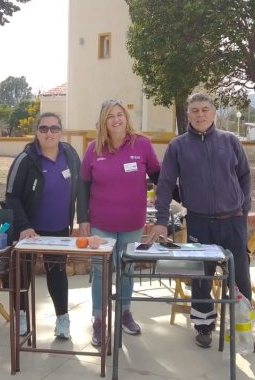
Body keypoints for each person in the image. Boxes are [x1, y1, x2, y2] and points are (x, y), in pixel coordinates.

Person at [148, 92, 255, 352]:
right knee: (201, 278)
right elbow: (164, 185)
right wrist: (161, 220)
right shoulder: (178, 146)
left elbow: (244, 176)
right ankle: (204, 327)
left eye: (205, 109)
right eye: (195, 110)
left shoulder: (231, 141)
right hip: (199, 222)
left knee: (240, 277)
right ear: (188, 115)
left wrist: (244, 208)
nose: (200, 114)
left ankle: (243, 332)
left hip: (233, 221)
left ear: (214, 113)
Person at [79, 99, 161, 346]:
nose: (117, 119)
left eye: (120, 114)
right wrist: (82, 220)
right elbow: (82, 187)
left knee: (127, 270)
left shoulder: (142, 145)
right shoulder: (94, 149)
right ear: (104, 121)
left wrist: (169, 202)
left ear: (126, 118)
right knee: (100, 271)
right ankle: (98, 319)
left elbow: (159, 176)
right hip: (100, 224)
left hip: (132, 223)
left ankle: (125, 313)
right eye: (111, 116)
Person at [4, 112, 88, 340]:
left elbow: (81, 189)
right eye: (43, 128)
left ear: (61, 131)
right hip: (29, 231)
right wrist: (24, 226)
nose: (49, 133)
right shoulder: (25, 159)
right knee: (22, 276)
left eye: (54, 128)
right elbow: (11, 197)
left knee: (57, 275)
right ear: (36, 132)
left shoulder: (70, 154)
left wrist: (82, 220)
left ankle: (62, 319)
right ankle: (20, 316)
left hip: (58, 229)